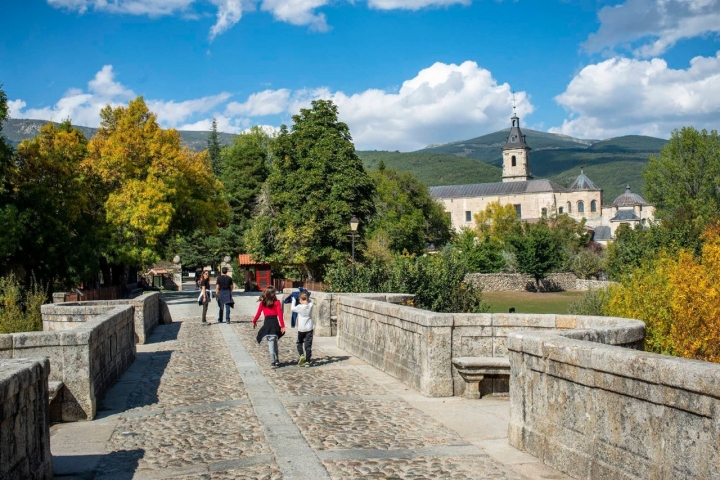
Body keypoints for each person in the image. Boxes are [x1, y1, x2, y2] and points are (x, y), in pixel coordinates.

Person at [252, 287, 286, 368]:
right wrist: (282, 325)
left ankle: (273, 361)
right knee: (274, 341)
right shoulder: (277, 302)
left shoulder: (263, 303)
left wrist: (254, 321)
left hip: (267, 324)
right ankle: (277, 360)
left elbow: (258, 313)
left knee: (271, 343)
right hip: (275, 323)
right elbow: (280, 315)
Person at [292, 291, 314, 367]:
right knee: (308, 345)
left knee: (299, 343)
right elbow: (310, 301)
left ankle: (301, 355)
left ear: (300, 300)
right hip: (309, 328)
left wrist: (293, 299)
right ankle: (308, 361)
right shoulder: (310, 305)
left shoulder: (299, 307)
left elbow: (292, 308)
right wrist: (307, 298)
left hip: (301, 329)